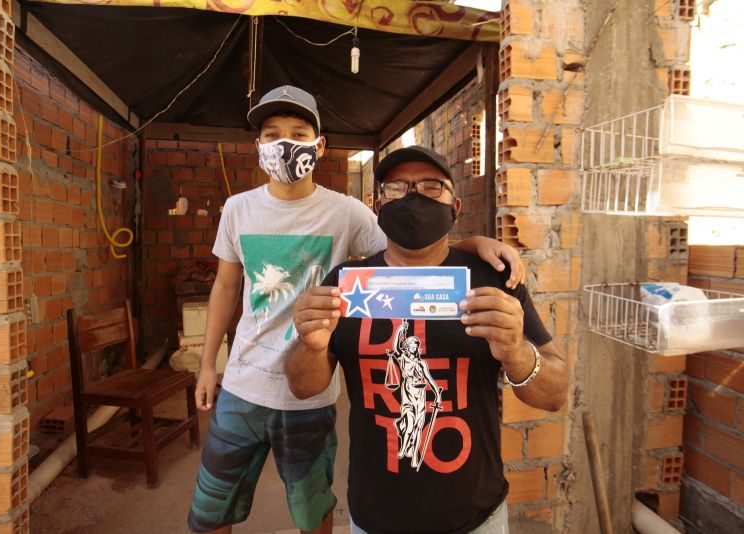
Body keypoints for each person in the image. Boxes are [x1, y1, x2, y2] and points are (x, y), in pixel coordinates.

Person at [187, 86, 527, 534]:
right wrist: (210, 363)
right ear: (258, 146)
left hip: (310, 389)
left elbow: (408, 244)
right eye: (272, 134)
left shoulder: (346, 212)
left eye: (298, 132)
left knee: (312, 510)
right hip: (242, 382)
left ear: (319, 145)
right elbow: (226, 286)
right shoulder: (238, 209)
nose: (284, 143)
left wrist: (471, 245)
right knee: (211, 508)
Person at [286, 145, 568, 534]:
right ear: (376, 203)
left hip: (476, 517)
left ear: (455, 206)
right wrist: (311, 346)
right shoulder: (345, 286)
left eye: (431, 187)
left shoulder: (493, 280)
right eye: (397, 188)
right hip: (374, 517)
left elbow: (555, 394)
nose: (413, 197)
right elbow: (303, 387)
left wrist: (518, 354)